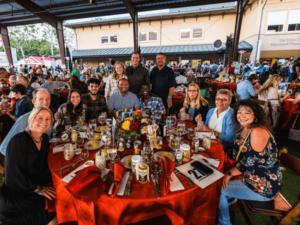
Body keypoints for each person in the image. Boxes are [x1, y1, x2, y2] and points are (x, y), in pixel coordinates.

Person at [218, 99, 281, 225]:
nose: (241, 115)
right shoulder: (244, 128)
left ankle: (225, 222)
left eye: (247, 113)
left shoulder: (258, 132)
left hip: (262, 186)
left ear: (255, 115)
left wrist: (228, 174)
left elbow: (249, 162)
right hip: (249, 176)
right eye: (239, 112)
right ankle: (230, 201)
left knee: (218, 189)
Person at [0, 107, 57, 225]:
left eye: (48, 119)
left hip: (35, 186)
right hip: (18, 194)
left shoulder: (45, 139)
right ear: (31, 119)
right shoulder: (19, 140)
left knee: (57, 201)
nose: (44, 122)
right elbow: (12, 176)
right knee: (51, 211)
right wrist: (38, 189)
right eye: (39, 118)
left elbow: (44, 167)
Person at [0, 89, 51, 156]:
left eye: (47, 99)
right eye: (41, 99)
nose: (45, 102)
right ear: (34, 102)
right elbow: (4, 148)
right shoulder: (24, 120)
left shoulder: (48, 116)